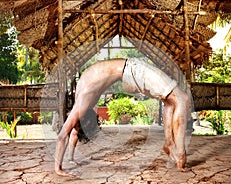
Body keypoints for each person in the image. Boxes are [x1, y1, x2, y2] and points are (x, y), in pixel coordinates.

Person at [54, 58, 189, 176]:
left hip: (131, 71)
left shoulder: (82, 102)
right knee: (182, 99)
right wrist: (58, 168)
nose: (69, 119)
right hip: (133, 71)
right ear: (82, 118)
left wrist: (69, 159)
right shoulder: (83, 101)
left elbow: (73, 132)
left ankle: (169, 145)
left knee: (170, 102)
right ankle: (180, 153)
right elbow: (64, 135)